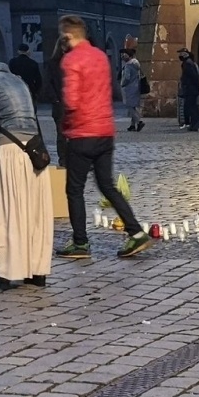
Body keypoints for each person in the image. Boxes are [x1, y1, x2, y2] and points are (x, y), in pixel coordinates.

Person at [54, 17, 151, 262]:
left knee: (74, 189)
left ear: (68, 36)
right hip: (105, 131)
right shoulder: (99, 56)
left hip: (82, 133)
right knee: (107, 185)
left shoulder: (71, 60)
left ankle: (80, 242)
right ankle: (136, 232)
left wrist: (65, 126)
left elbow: (71, 101)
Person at [0, 43, 52, 290]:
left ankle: (4, 270)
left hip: (8, 149)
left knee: (5, 210)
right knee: (34, 212)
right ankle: (36, 271)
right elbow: (33, 115)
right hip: (32, 149)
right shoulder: (17, 79)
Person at [119, 49, 144, 131]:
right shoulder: (136, 64)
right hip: (136, 87)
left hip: (129, 88)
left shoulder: (128, 65)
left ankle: (139, 121)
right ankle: (132, 125)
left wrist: (122, 84)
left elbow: (126, 77)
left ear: (129, 55)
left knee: (129, 106)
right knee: (133, 106)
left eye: (124, 54)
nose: (122, 56)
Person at [178, 48, 199, 131]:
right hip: (191, 88)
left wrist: (198, 85)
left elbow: (193, 76)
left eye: (181, 54)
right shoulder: (188, 63)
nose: (180, 55)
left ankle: (198, 122)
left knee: (191, 106)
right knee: (192, 106)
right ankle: (195, 123)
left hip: (191, 88)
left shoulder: (188, 63)